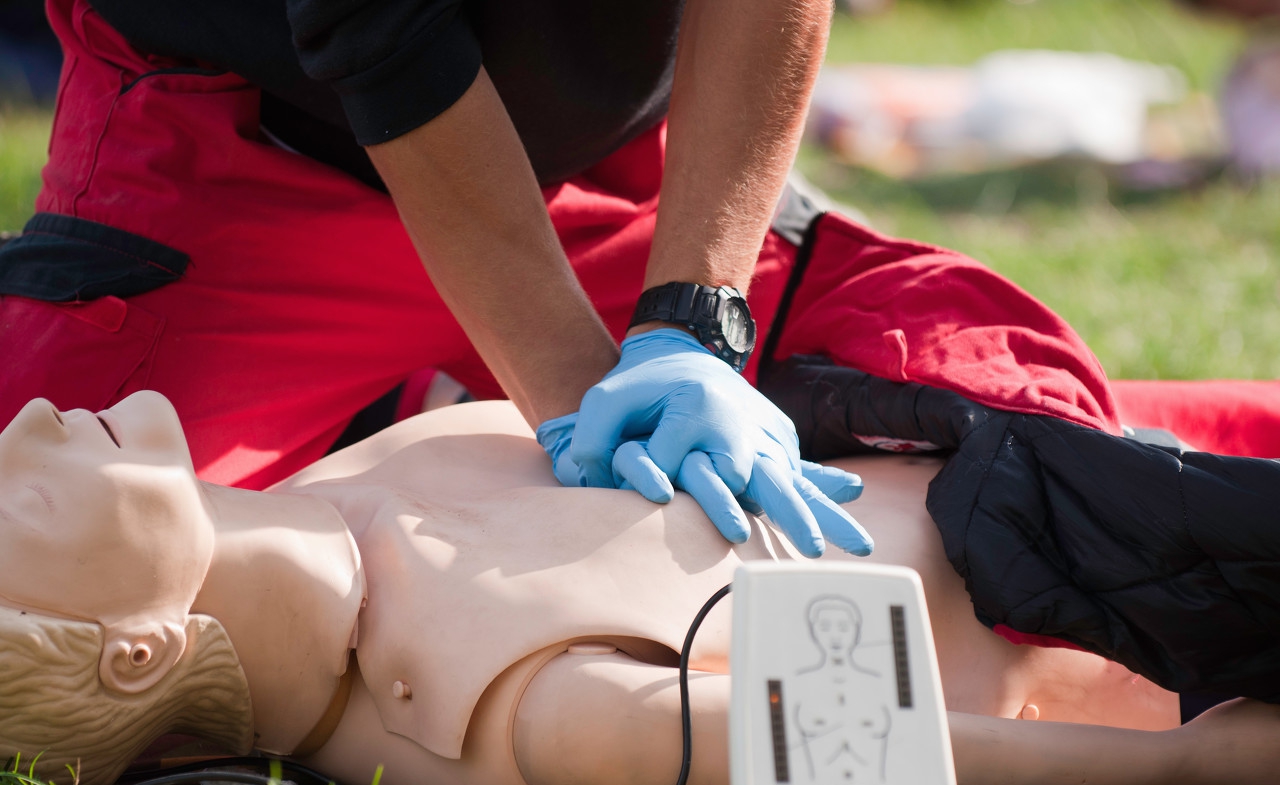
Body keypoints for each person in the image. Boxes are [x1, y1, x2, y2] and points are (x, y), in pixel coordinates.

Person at [5, 390, 1279, 785]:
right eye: (26, 503)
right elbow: (849, 754)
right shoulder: (508, 712)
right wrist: (1193, 767)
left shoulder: (342, 483)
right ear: (136, 656)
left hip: (984, 443)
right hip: (1121, 595)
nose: (33, 419)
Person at [0, 0, 879, 560]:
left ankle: (413, 411)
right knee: (40, 566)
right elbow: (375, 24)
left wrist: (693, 320)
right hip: (243, 151)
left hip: (615, 178)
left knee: (987, 428)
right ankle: (391, 414)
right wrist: (581, 406)